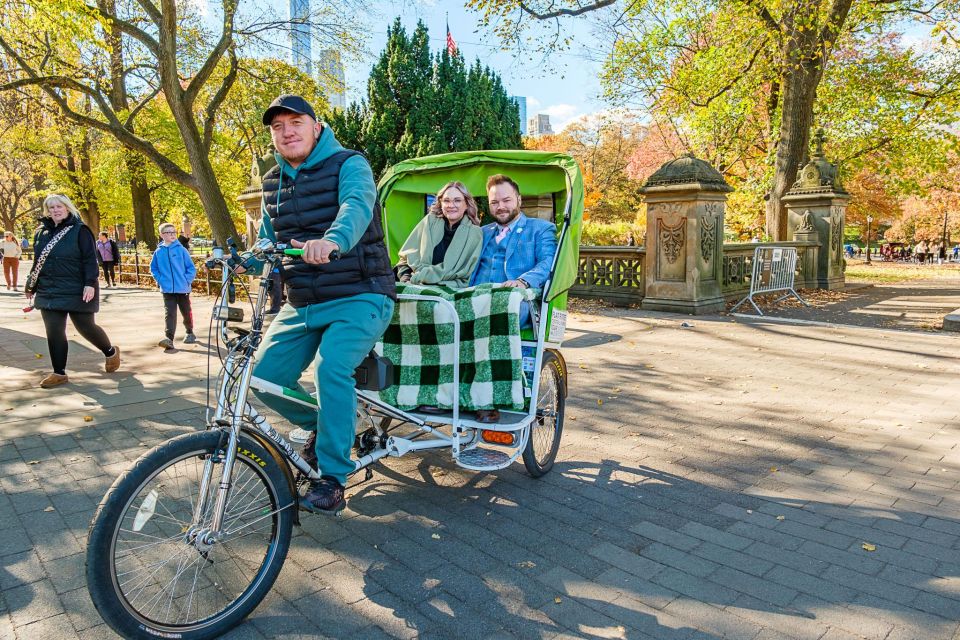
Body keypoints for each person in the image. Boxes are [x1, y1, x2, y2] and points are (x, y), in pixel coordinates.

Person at [245, 94, 396, 513]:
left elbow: (356, 206)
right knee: (264, 377)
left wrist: (333, 241)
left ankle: (332, 475)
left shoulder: (350, 163)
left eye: (295, 122)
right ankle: (329, 427)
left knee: (331, 368)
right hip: (304, 301)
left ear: (316, 125)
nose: (287, 131)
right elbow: (267, 234)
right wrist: (248, 256)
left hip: (360, 293)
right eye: (278, 127)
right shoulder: (272, 179)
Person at [469, 173, 558, 422]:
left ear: (518, 199)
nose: (501, 206)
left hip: (516, 301)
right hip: (477, 297)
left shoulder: (540, 229)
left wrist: (523, 281)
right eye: (495, 202)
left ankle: (487, 399)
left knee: (491, 323)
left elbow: (548, 263)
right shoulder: (481, 232)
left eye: (506, 200)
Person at [25, 194, 120, 388]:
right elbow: (38, 262)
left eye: (59, 206)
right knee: (54, 332)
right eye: (51, 208)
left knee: (85, 327)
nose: (55, 210)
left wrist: (89, 283)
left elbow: (90, 259)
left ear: (67, 208)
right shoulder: (40, 233)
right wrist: (30, 285)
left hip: (77, 288)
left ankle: (110, 352)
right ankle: (59, 373)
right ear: (47, 211)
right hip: (48, 289)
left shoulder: (80, 230)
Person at [395, 181, 483, 288]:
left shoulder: (475, 233)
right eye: (446, 200)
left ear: (466, 204)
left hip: (452, 290)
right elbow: (405, 259)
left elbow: (466, 274)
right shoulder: (429, 222)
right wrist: (406, 280)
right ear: (441, 203)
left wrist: (422, 277)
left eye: (457, 200)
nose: (451, 205)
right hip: (414, 285)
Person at [149, 222, 197, 349]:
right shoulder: (158, 252)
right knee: (170, 313)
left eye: (173, 232)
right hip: (167, 289)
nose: (172, 234)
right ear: (161, 235)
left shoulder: (181, 250)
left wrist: (186, 280)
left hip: (183, 288)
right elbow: (153, 268)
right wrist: (160, 280)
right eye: (168, 232)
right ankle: (169, 339)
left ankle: (189, 332)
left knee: (186, 312)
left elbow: (191, 268)